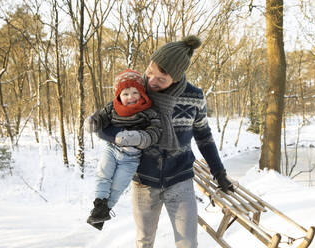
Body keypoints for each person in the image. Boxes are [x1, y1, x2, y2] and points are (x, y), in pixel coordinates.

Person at [102, 36, 234, 247]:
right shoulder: (136, 90)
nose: (152, 81)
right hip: (144, 181)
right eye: (150, 71)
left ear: (177, 77)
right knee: (144, 241)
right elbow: (104, 123)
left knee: (188, 243)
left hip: (180, 180)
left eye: (161, 79)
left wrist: (219, 172)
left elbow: (204, 136)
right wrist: (120, 137)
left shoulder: (194, 97)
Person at [84, 69, 161, 231]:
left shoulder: (148, 112)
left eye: (135, 92)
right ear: (118, 95)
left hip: (131, 157)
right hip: (112, 149)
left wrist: (139, 137)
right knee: (103, 175)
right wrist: (93, 122)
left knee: (119, 184)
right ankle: (99, 206)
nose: (131, 97)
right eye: (125, 94)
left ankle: (105, 211)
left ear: (141, 93)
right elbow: (101, 117)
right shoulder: (113, 107)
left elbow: (155, 132)